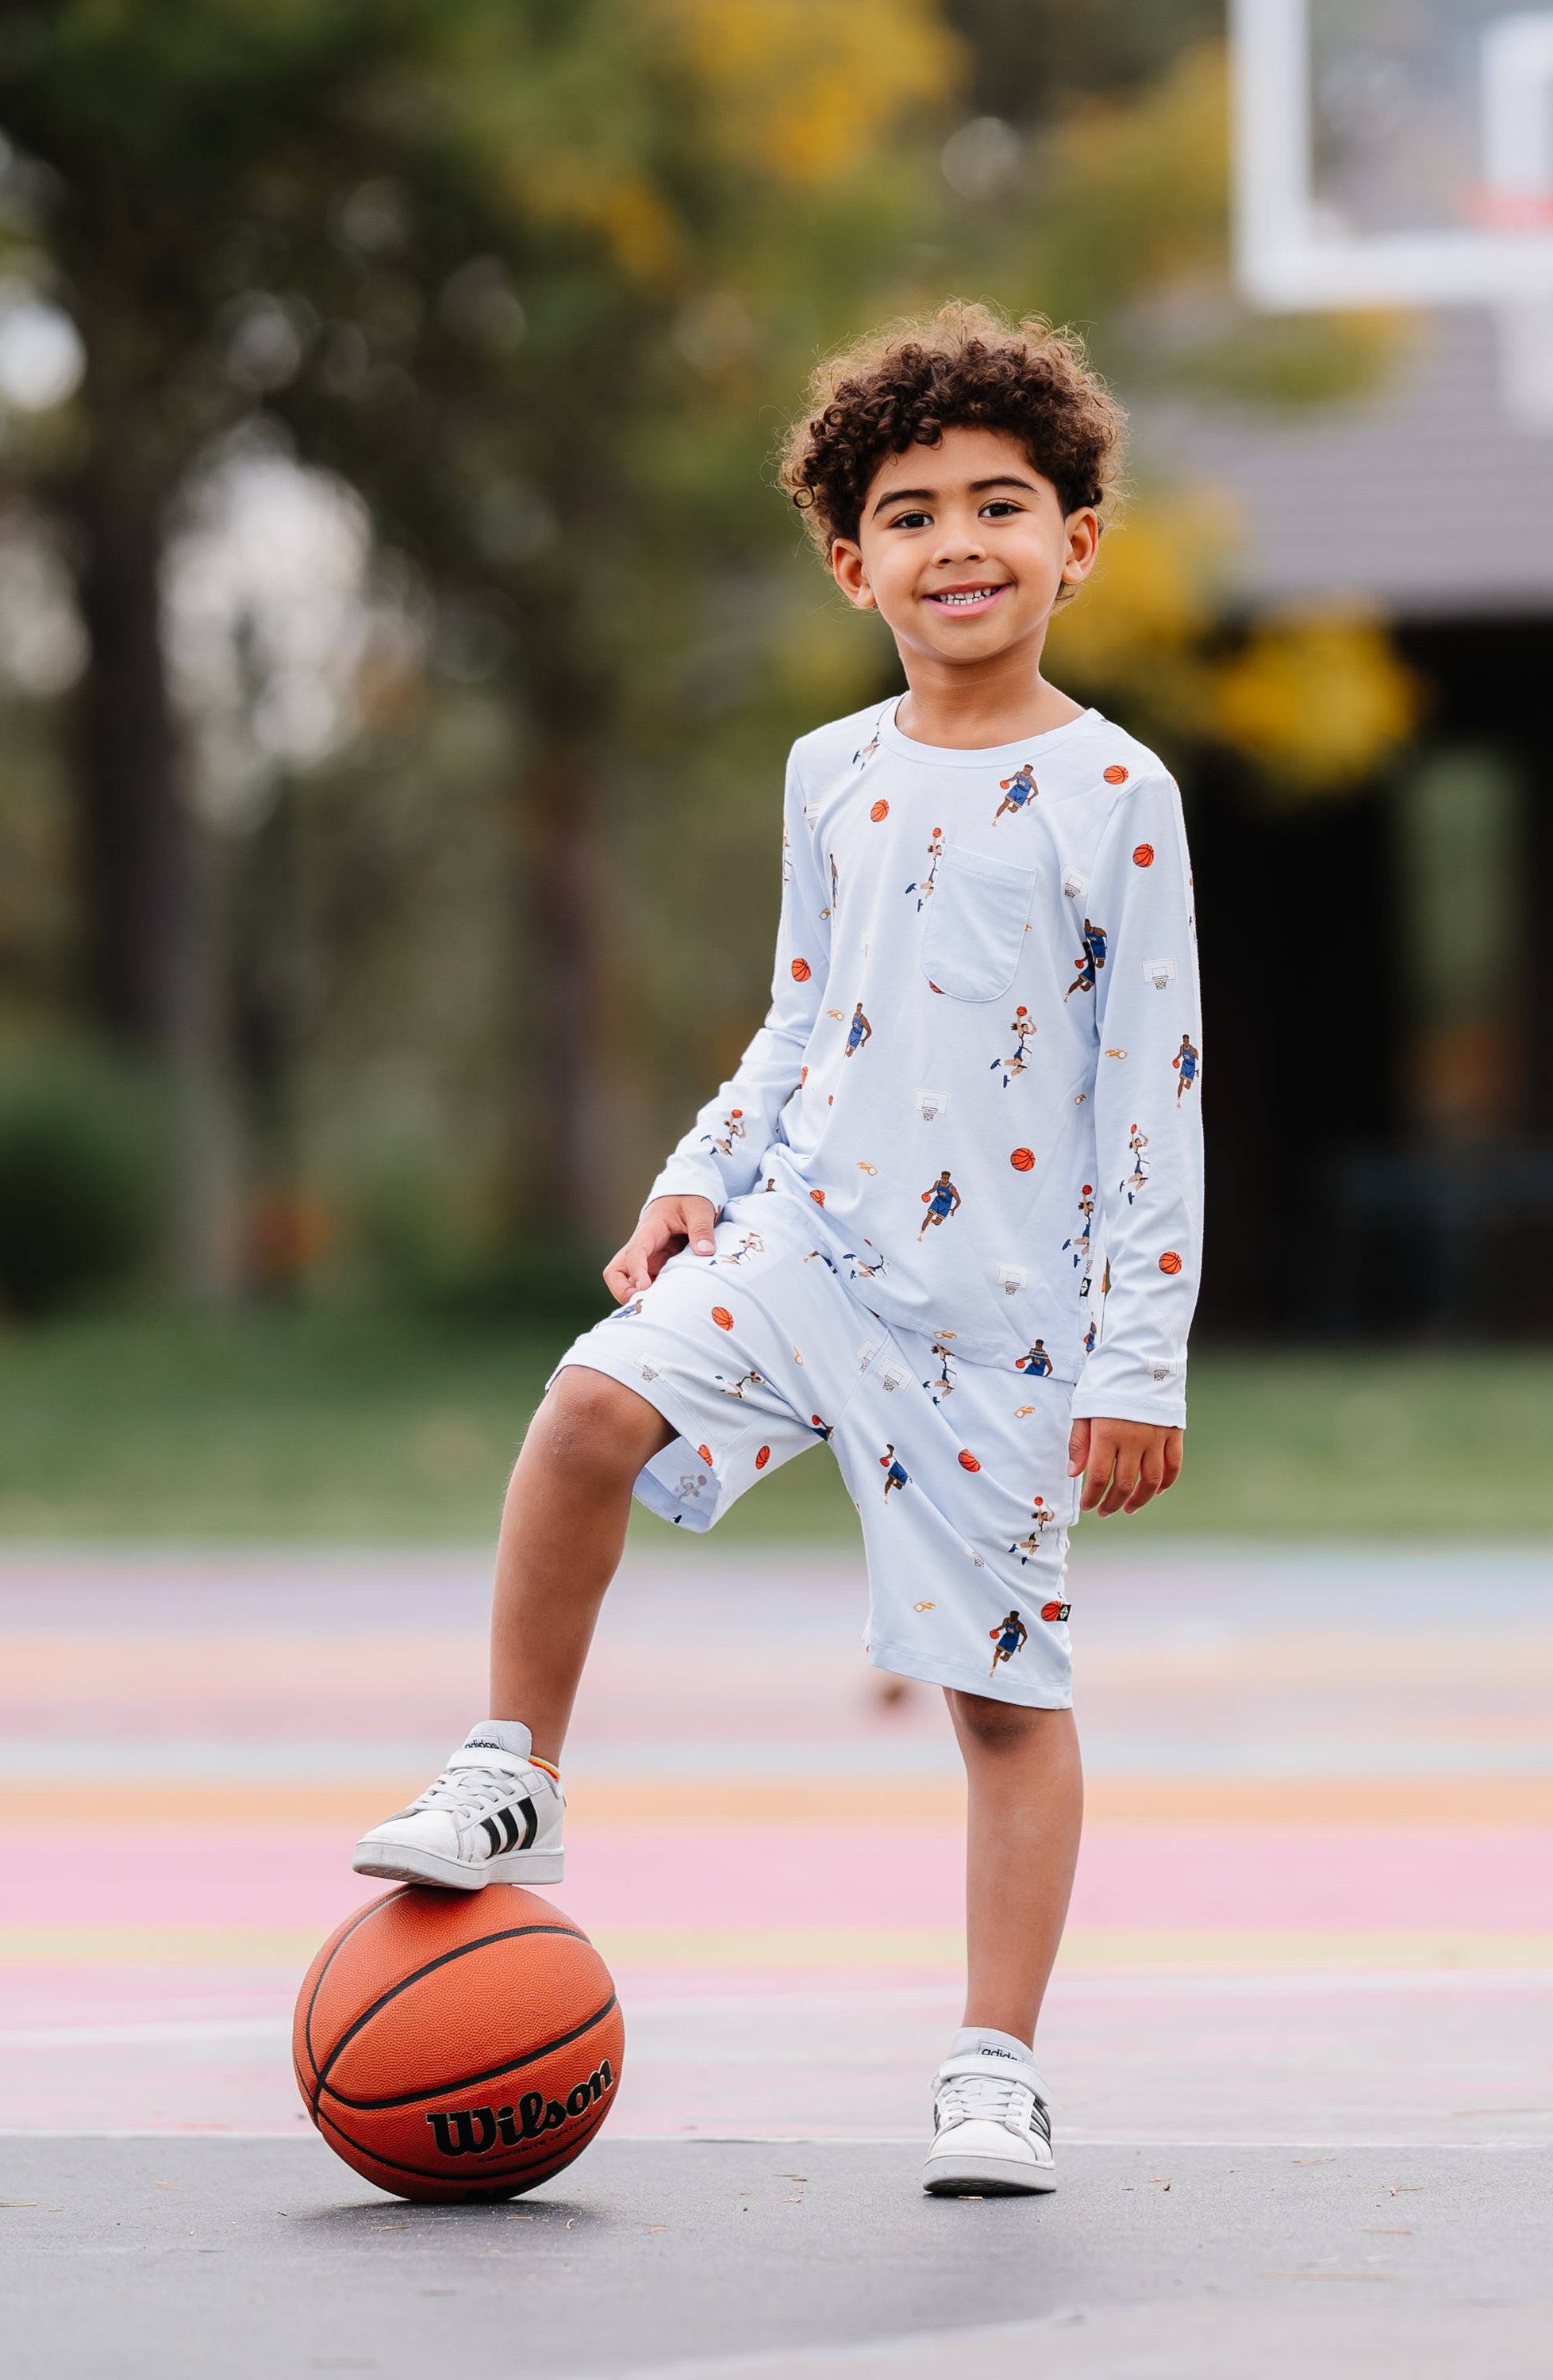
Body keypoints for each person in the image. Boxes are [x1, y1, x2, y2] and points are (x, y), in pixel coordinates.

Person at [352, 303, 1202, 2199]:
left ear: (1077, 539)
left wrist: (1137, 1360)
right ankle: (514, 1768)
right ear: (851, 562)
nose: (959, 544)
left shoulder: (1116, 797)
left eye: (1004, 505)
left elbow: (1157, 1096)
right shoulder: (832, 772)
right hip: (803, 1244)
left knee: (1001, 1703)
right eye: (912, 516)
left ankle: (994, 2071)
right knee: (583, 1413)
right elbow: (800, 1023)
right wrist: (695, 1179)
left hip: (1000, 1323)